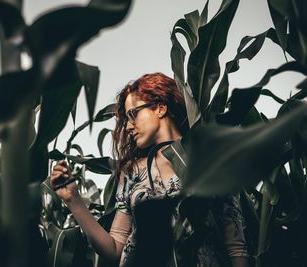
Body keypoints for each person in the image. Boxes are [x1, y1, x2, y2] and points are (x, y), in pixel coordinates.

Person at [51, 72, 249, 266]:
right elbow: (113, 250)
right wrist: (73, 200)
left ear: (160, 108)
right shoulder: (131, 172)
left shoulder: (209, 160)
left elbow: (236, 246)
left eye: (132, 114)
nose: (128, 126)